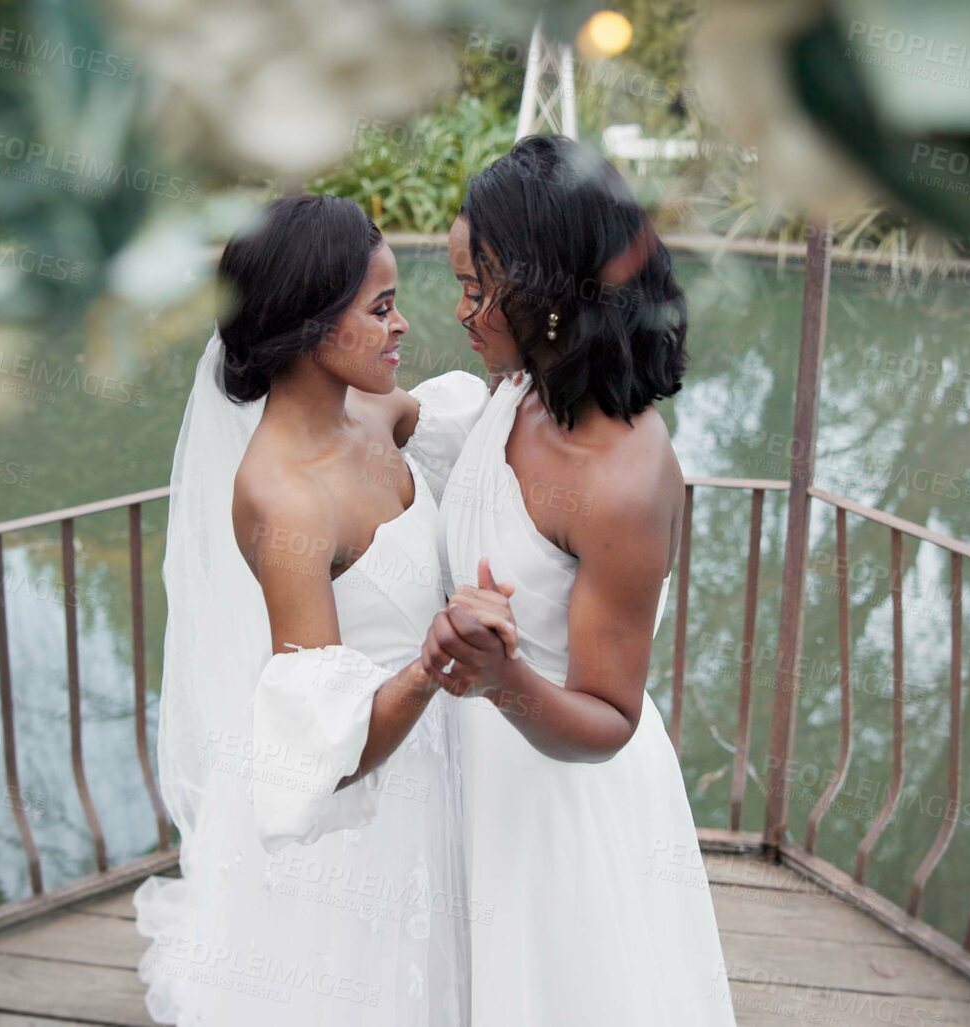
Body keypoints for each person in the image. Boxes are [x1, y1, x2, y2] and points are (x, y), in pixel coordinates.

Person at [134, 194, 492, 1026]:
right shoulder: (286, 500)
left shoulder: (375, 412)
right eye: (381, 308)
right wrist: (436, 658)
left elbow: (467, 420)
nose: (402, 326)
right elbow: (323, 752)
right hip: (370, 823)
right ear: (307, 323)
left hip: (453, 756)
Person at [426, 135, 737, 1026]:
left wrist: (502, 678)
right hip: (474, 777)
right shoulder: (518, 389)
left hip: (562, 814)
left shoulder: (623, 479)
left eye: (478, 286)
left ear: (550, 288)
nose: (461, 311)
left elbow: (607, 717)